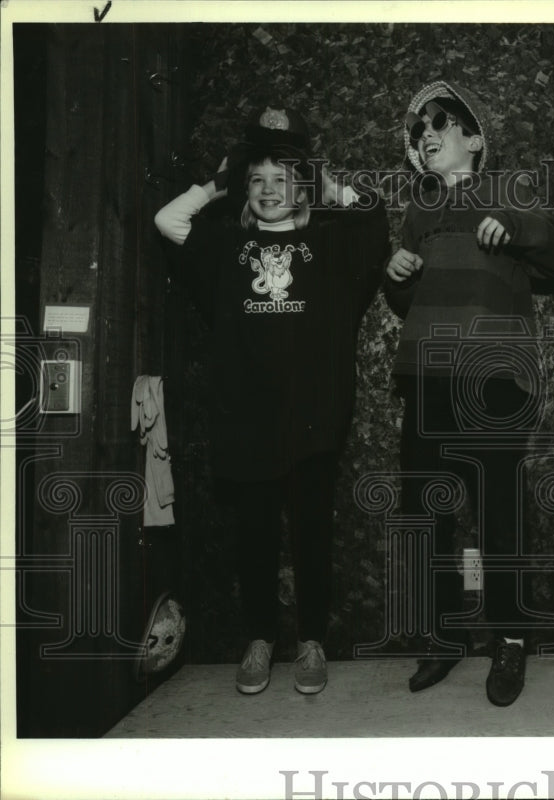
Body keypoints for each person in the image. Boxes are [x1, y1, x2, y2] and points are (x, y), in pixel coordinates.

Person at [154, 104, 390, 695]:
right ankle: (259, 638)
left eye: (282, 179)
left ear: (302, 187)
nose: (267, 190)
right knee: (254, 536)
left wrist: (328, 185)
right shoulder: (225, 246)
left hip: (313, 419)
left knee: (312, 535)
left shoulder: (330, 245)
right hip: (247, 420)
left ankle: (312, 641)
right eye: (257, 179)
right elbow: (167, 219)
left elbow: (372, 215)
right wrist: (217, 184)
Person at [384, 80, 554, 707]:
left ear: (474, 138)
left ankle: (512, 639)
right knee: (426, 511)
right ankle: (442, 638)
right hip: (426, 374)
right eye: (418, 131)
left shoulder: (510, 191)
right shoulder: (420, 211)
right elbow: (404, 300)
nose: (425, 135)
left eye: (438, 123)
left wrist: (511, 225)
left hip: (493, 377)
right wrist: (396, 275)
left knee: (499, 511)